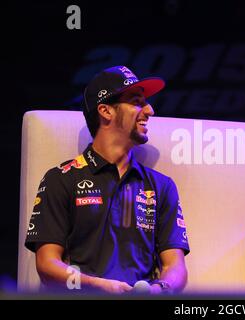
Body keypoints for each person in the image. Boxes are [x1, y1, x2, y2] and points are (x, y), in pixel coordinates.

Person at [25, 66, 190, 295]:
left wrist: (160, 289)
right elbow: (47, 265)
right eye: (136, 102)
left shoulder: (162, 186)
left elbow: (176, 266)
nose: (150, 110)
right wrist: (98, 286)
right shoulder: (61, 179)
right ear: (105, 111)